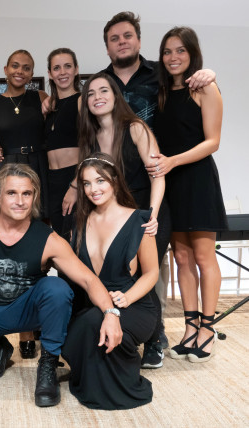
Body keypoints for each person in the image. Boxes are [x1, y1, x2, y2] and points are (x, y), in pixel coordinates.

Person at [0, 163, 123, 408]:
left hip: (28, 311)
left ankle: (48, 364)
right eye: (11, 193)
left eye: (26, 194)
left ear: (34, 197)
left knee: (56, 288)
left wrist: (111, 313)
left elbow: (88, 279)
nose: (20, 201)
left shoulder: (48, 238)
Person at [78, 72, 167, 368]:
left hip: (144, 210)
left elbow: (158, 175)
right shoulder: (90, 137)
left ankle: (155, 340)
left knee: (147, 276)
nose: (97, 97)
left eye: (104, 91)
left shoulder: (136, 128)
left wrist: (151, 215)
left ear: (116, 96)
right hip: (111, 210)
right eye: (91, 94)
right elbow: (91, 176)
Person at [148, 27, 226, 363]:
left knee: (204, 257)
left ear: (192, 53)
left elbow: (213, 141)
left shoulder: (205, 87)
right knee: (180, 258)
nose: (173, 57)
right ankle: (190, 327)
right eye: (167, 51)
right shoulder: (161, 91)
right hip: (170, 183)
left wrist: (173, 161)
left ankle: (208, 329)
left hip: (196, 178)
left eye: (180, 50)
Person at [62, 153, 158, 410]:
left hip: (134, 305)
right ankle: (91, 378)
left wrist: (125, 298)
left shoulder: (141, 220)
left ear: (115, 180)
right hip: (92, 304)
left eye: (100, 180)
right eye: (86, 183)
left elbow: (151, 273)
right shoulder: (79, 223)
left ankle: (116, 385)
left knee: (93, 322)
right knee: (86, 323)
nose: (93, 189)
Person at [0, 49, 49, 359]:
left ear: (32, 72)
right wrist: (7, 155)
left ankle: (34, 325)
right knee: (13, 246)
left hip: (39, 170)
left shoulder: (42, 97)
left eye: (26, 68)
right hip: (10, 172)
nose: (20, 71)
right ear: (6, 68)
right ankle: (19, 327)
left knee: (39, 248)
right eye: (15, 66)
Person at [44, 48, 81, 239]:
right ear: (50, 74)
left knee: (77, 243)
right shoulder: (49, 107)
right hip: (53, 181)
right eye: (56, 68)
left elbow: (92, 147)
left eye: (68, 66)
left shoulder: (83, 101)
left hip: (75, 176)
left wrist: (76, 185)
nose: (63, 72)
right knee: (60, 241)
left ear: (76, 69)